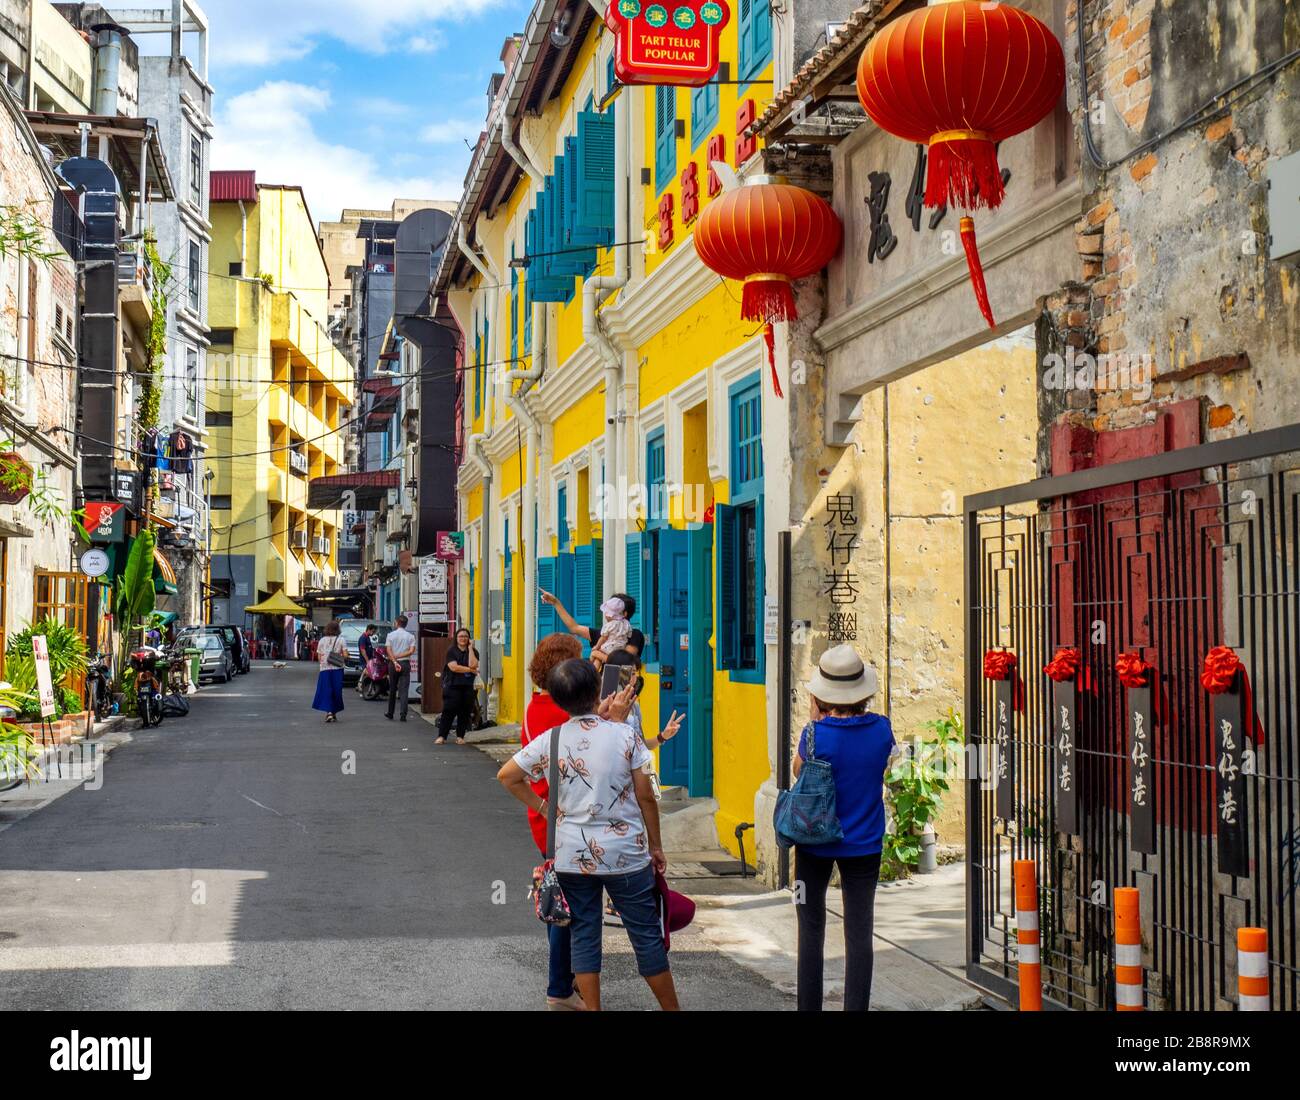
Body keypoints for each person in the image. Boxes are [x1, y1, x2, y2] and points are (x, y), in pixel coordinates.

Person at [498, 658, 679, 1011]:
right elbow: (646, 794)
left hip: (573, 856)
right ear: (597, 690)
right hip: (627, 854)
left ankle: (593, 1008)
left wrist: (543, 808)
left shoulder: (551, 740)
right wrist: (656, 846)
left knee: (584, 935)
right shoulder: (626, 734)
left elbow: (508, 775)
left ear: (558, 700)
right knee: (645, 935)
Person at [792, 645, 894, 1012]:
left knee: (810, 927)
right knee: (860, 933)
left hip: (813, 844)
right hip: (865, 845)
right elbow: (880, 768)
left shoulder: (814, 735)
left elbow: (798, 772)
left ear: (822, 695)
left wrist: (814, 719)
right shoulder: (882, 730)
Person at [520, 632, 585, 1008]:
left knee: (557, 894)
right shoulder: (560, 713)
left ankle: (566, 979)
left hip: (545, 814)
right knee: (566, 903)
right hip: (562, 816)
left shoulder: (536, 705)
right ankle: (559, 987)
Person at [538, 588, 637, 649]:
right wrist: (555, 603)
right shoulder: (601, 633)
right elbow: (574, 627)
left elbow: (625, 659)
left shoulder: (636, 635)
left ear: (624, 613)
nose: (606, 613)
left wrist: (598, 652)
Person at [437, 628, 479, 745]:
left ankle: (460, 736)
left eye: (465, 636)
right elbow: (454, 667)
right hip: (452, 685)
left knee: (465, 712)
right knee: (448, 710)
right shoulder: (451, 651)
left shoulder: (474, 652)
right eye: (460, 636)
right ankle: (442, 736)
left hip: (468, 686)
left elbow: (473, 664)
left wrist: (470, 648)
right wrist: (470, 670)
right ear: (456, 638)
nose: (463, 639)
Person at [312, 620, 347, 723]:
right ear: (338, 629)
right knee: (336, 690)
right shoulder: (341, 640)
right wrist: (341, 656)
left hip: (324, 669)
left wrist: (325, 661)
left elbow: (319, 656)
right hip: (337, 669)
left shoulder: (322, 640)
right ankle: (333, 712)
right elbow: (345, 655)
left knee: (327, 690)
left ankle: (329, 712)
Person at [385, 615, 417, 722]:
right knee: (404, 690)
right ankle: (403, 714)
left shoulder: (390, 635)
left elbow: (388, 650)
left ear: (397, 623)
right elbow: (412, 651)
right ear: (406, 624)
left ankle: (390, 713)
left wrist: (394, 659)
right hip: (405, 664)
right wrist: (400, 656)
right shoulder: (410, 636)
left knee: (393, 689)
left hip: (393, 664)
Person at [590, 597, 633, 669]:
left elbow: (603, 638)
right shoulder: (627, 623)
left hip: (609, 648)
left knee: (595, 654)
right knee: (599, 657)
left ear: (609, 615)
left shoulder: (609, 625)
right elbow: (629, 635)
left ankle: (591, 670)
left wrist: (596, 647)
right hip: (620, 649)